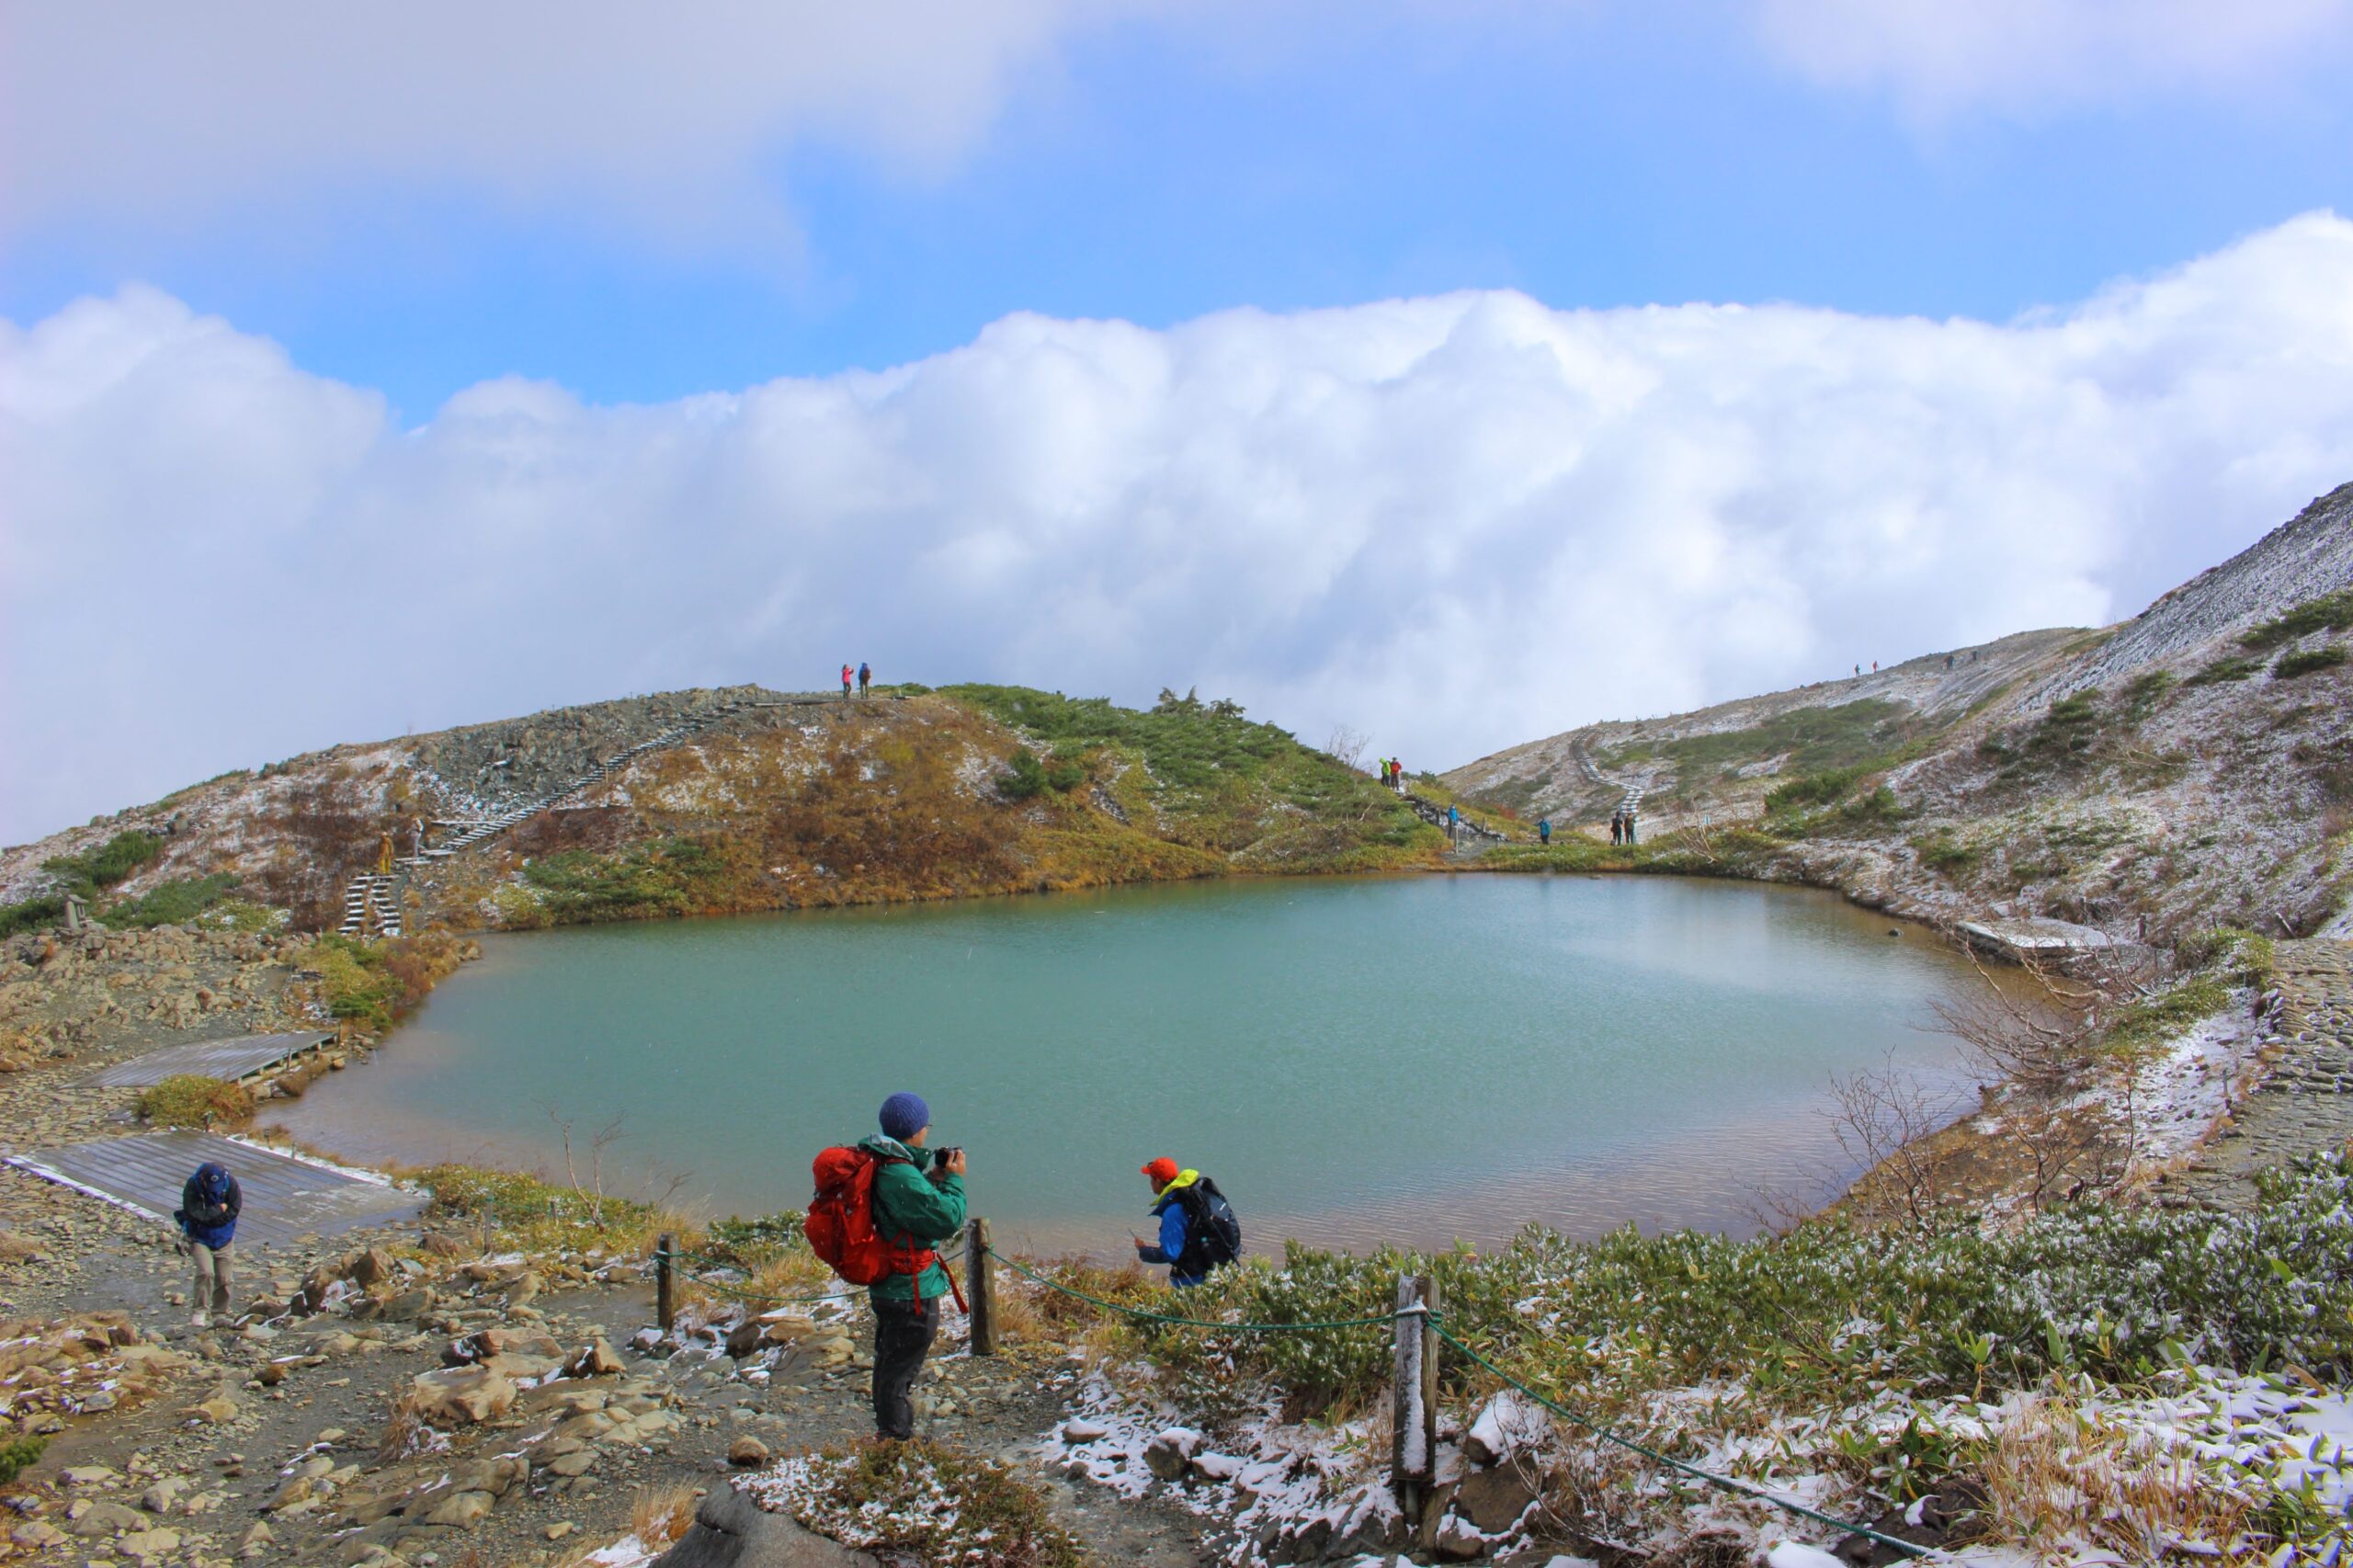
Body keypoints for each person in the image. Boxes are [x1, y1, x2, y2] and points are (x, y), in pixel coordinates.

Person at [863, 1093, 966, 1442]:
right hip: (910, 1292)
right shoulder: (899, 1175)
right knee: (897, 1372)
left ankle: (890, 1437)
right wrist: (954, 1180)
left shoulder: (885, 1162)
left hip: (891, 1285)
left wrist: (934, 1176)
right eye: (926, 1126)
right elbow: (947, 1218)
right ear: (916, 1131)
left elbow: (907, 1207)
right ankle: (895, 1445)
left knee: (890, 1364)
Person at [1131, 1158, 1240, 1287]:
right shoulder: (1193, 1197)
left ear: (1158, 1181)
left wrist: (1144, 1250)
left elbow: (1171, 1254)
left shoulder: (1173, 1211)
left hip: (1192, 1279)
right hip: (1213, 1269)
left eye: (1151, 1179)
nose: (1150, 1184)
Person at [175, 1161, 242, 1328]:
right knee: (206, 1272)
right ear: (203, 1180)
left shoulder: (231, 1184)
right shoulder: (193, 1186)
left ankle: (219, 1312)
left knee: (225, 1279)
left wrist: (212, 1217)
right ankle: (199, 1311)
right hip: (198, 1237)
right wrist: (219, 1209)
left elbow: (234, 1209)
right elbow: (194, 1214)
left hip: (225, 1237)